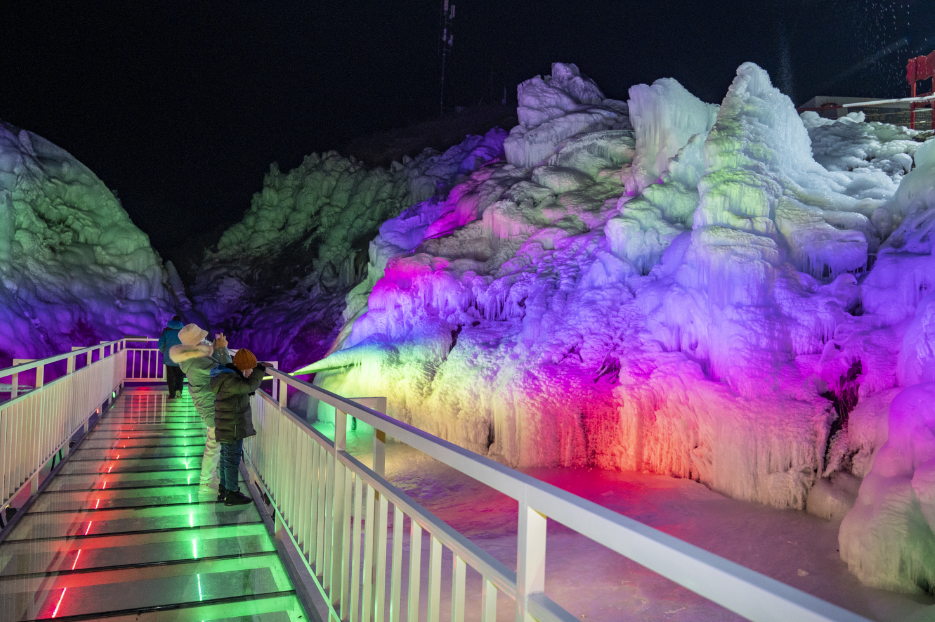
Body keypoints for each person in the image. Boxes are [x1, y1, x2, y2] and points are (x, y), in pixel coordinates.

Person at [169, 324, 231, 498]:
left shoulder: (192, 359)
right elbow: (227, 373)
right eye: (202, 339)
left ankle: (212, 479)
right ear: (196, 343)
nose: (206, 340)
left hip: (210, 404)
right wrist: (223, 349)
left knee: (215, 444)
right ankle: (206, 482)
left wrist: (217, 351)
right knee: (214, 446)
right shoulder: (199, 362)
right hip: (213, 406)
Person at [210, 348, 266, 505]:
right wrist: (260, 369)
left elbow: (242, 389)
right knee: (232, 459)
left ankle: (224, 489)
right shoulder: (231, 380)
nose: (251, 372)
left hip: (228, 424)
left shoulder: (229, 377)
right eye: (250, 369)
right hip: (232, 426)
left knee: (226, 456)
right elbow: (249, 386)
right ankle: (232, 493)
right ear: (244, 368)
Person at [157, 316, 185, 398]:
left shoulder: (166, 330)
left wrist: (164, 352)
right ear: (180, 322)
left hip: (169, 357)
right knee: (179, 376)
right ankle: (178, 390)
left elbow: (160, 343)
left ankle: (172, 394)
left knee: (170, 377)